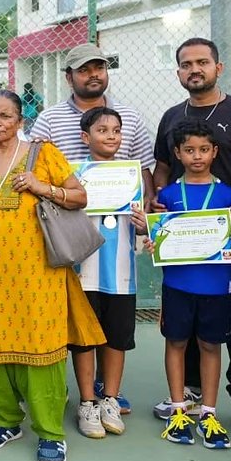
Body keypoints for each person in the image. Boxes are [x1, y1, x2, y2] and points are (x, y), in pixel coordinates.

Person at [0, 90, 96, 461]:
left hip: (38, 275)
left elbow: (80, 196)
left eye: (5, 115)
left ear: (20, 121)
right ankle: (6, 421)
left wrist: (42, 187)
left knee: (41, 348)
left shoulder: (44, 154)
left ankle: (50, 432)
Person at [29, 43, 155, 415]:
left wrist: (147, 217)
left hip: (120, 239)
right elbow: (37, 171)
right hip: (72, 237)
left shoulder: (130, 117)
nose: (93, 74)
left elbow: (144, 173)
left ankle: (107, 392)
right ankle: (85, 396)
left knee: (116, 320)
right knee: (80, 318)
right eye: (84, 69)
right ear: (69, 77)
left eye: (99, 67)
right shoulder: (49, 119)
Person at [152, 37, 231, 437]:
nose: (194, 69)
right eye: (187, 64)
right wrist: (157, 202)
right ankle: (187, 392)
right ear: (179, 72)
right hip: (182, 240)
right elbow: (162, 167)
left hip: (227, 237)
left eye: (202, 62)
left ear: (218, 67)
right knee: (184, 319)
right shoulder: (172, 117)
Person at [138, 121, 231, 450]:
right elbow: (159, 237)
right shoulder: (168, 196)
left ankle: (209, 413)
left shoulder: (229, 196)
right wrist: (154, 241)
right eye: (190, 150)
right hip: (177, 285)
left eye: (204, 150)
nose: (197, 156)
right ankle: (178, 409)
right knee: (176, 343)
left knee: (211, 346)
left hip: (216, 287)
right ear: (178, 154)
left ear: (215, 152)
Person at [71, 108, 137, 440]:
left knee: (117, 337)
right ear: (86, 137)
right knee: (84, 338)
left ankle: (110, 398)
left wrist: (144, 223)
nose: (111, 136)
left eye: (116, 130)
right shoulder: (74, 175)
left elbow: (144, 222)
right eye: (102, 130)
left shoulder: (131, 176)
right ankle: (87, 402)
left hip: (122, 272)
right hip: (84, 270)